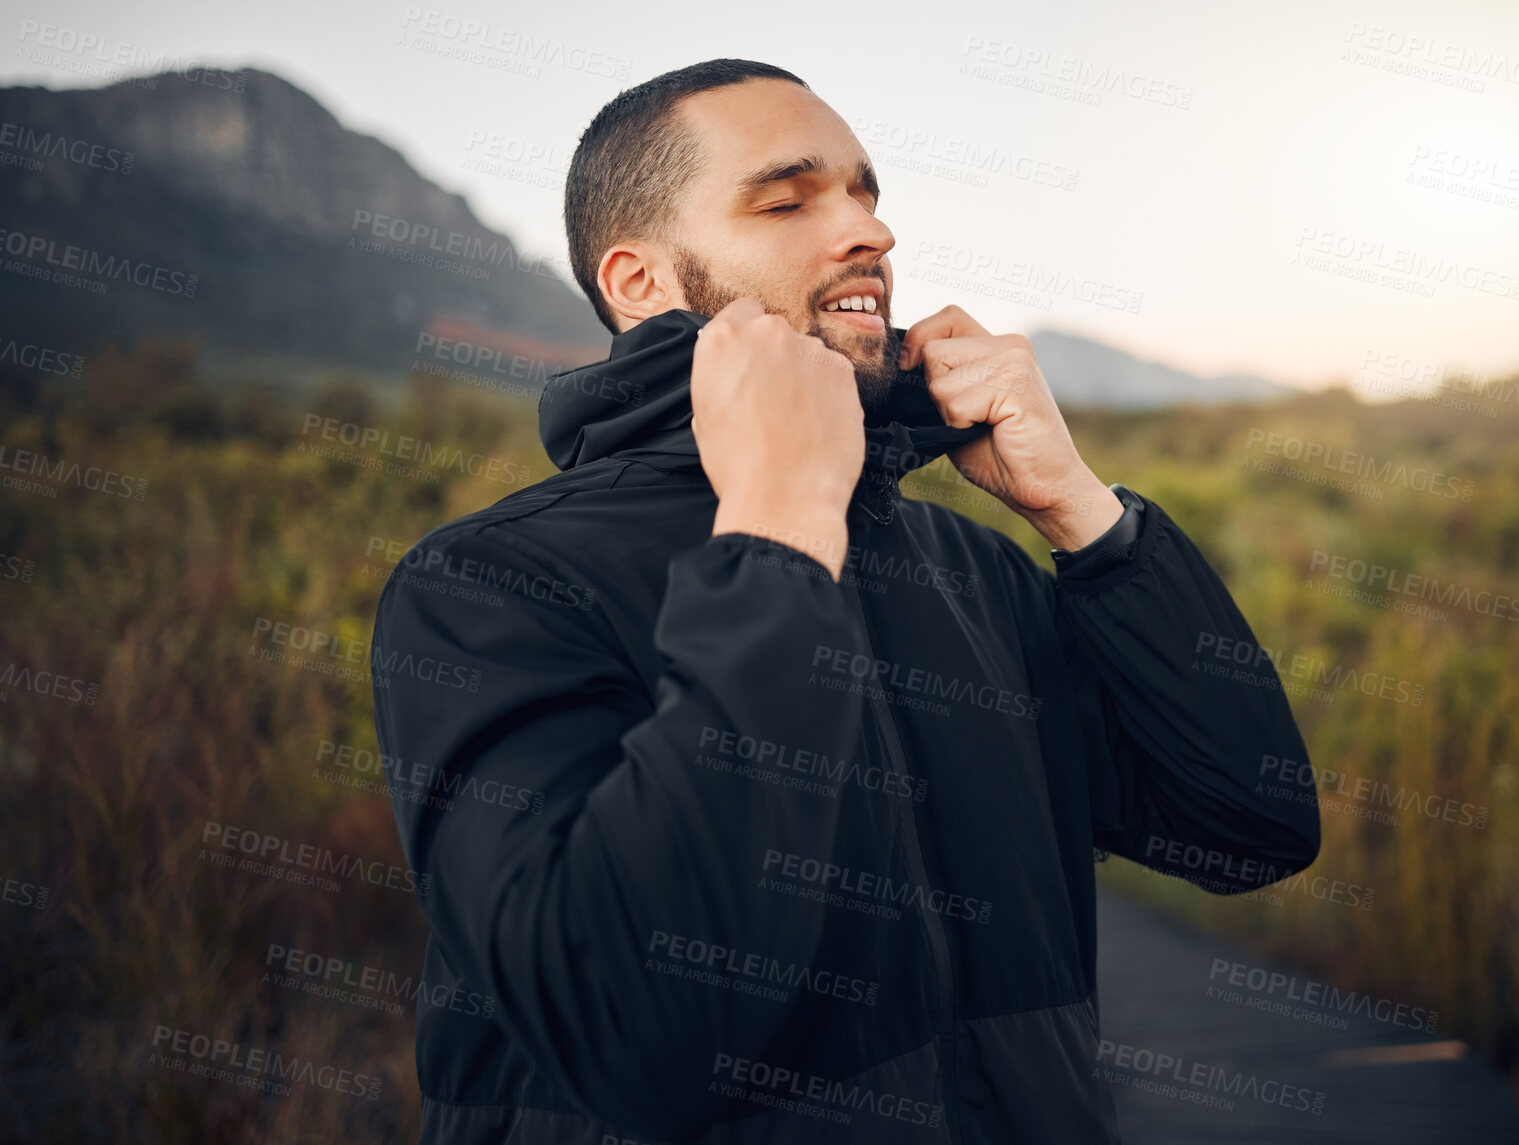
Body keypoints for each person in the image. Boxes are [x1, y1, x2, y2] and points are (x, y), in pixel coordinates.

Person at [369, 57, 1320, 1145]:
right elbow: (638, 1028)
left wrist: (1080, 512)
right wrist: (776, 525)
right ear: (638, 283)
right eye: (787, 198)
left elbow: (1248, 824)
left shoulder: (978, 574)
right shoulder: (492, 586)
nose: (871, 231)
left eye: (865, 193)